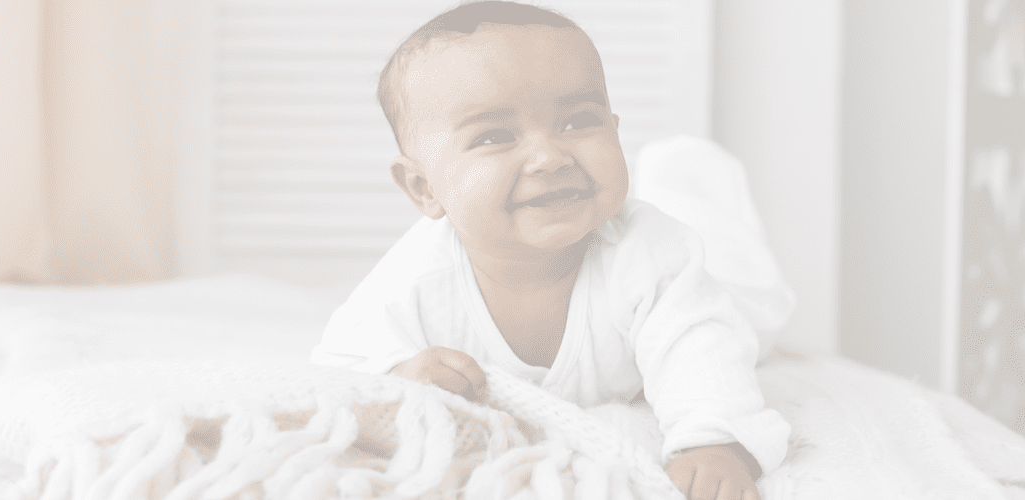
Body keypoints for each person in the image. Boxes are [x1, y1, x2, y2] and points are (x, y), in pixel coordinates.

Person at [310, 2, 790, 498]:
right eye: (494, 136)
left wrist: (713, 443)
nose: (548, 156)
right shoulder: (414, 281)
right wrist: (399, 373)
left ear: (615, 128)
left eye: (578, 121)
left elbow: (700, 345)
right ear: (422, 189)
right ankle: (673, 179)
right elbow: (337, 362)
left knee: (757, 311)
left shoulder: (650, 252)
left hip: (716, 284)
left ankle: (691, 177)